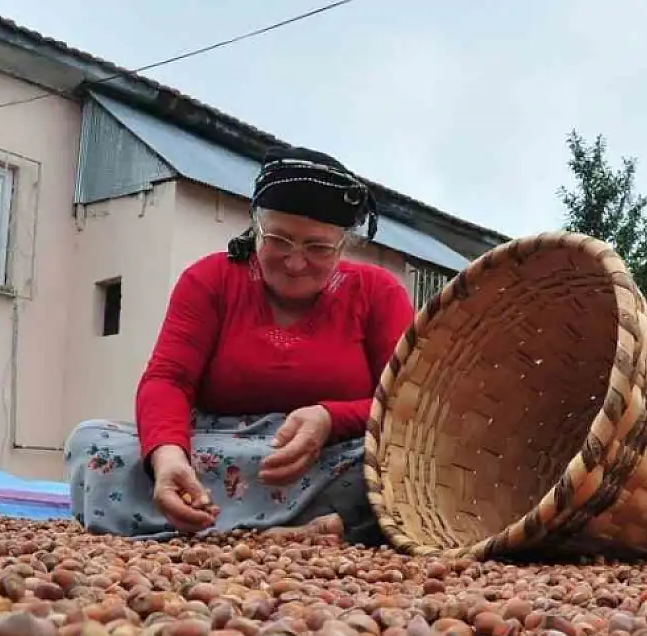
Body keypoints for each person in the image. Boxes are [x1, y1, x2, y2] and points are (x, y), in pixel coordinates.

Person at [65, 146, 417, 543]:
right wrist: (167, 457)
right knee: (93, 442)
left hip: (328, 454)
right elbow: (168, 380)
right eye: (280, 240)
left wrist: (330, 419)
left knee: (405, 465)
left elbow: (403, 404)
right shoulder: (210, 280)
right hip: (216, 444)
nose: (296, 262)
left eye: (317, 248)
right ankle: (334, 526)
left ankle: (234, 525)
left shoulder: (378, 292)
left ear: (344, 245)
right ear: (256, 229)